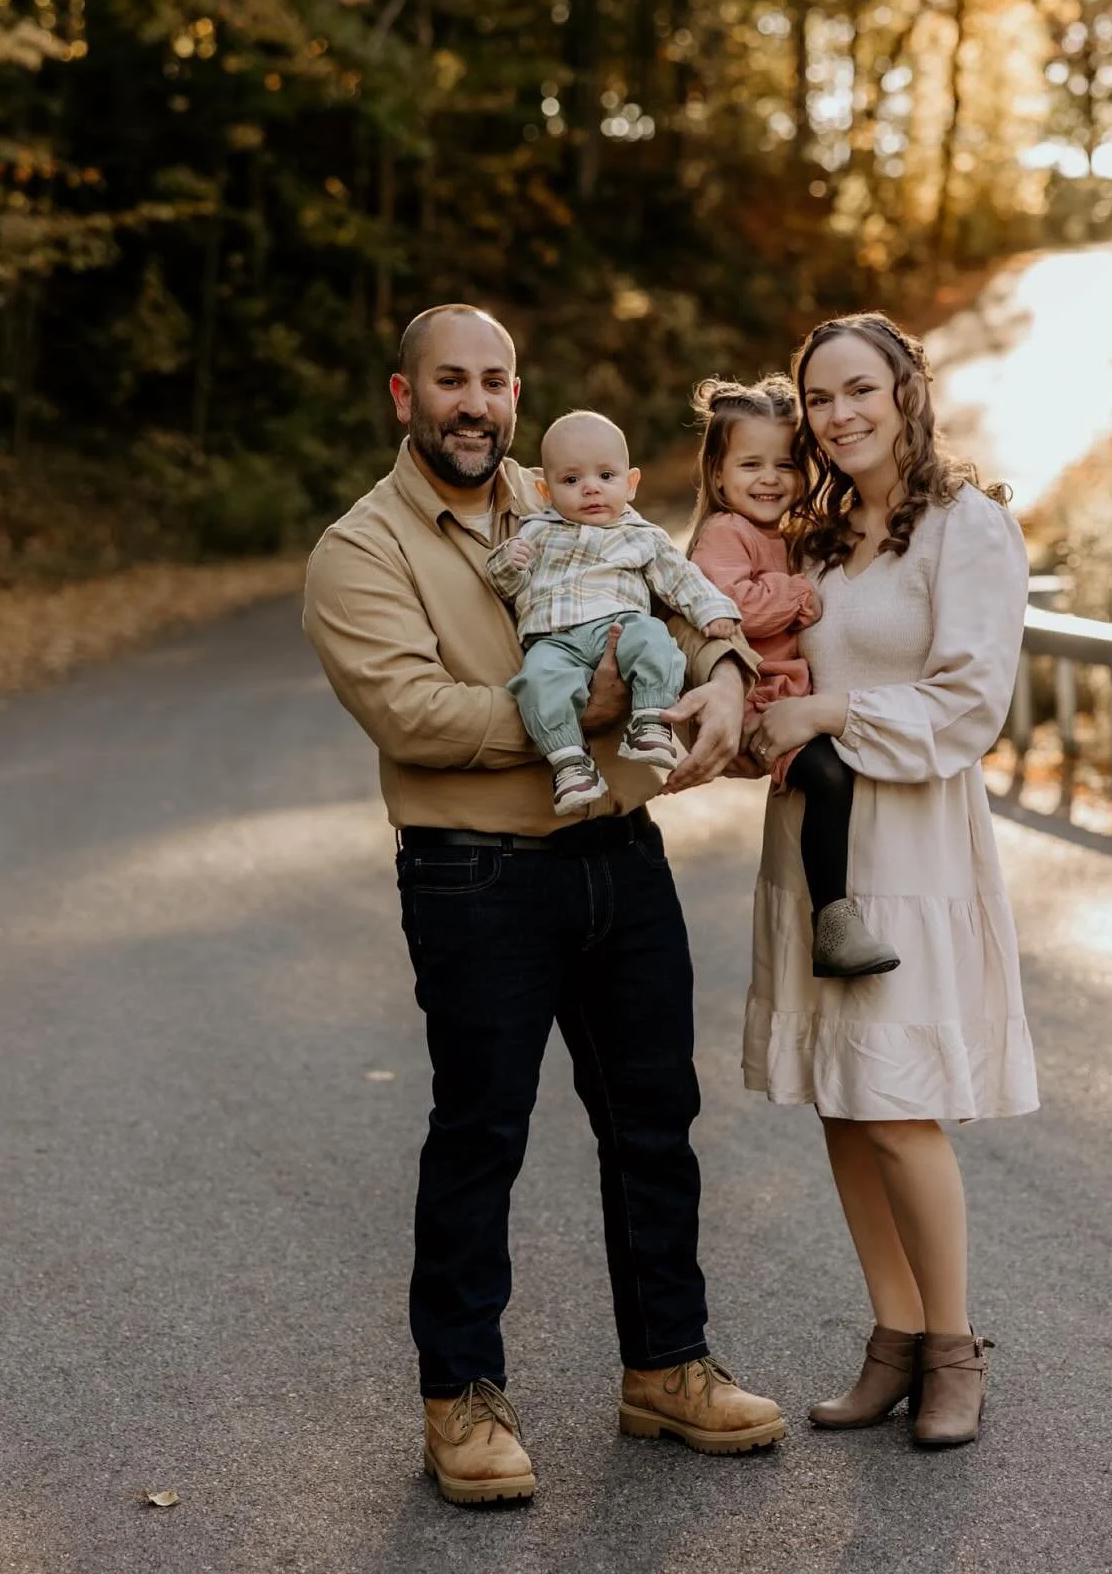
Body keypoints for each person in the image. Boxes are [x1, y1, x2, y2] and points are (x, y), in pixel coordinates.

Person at [302, 303, 784, 1507]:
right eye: (449, 382)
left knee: (655, 1122)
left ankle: (666, 1367)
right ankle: (461, 1400)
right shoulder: (360, 551)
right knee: (483, 1135)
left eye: (494, 381)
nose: (474, 404)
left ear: (517, 395)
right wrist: (599, 707)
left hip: (620, 853)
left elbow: (677, 592)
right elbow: (415, 714)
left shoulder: (571, 491)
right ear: (406, 397)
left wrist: (727, 673)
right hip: (475, 877)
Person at [742, 311, 1038, 1451]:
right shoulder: (813, 539)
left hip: (911, 847)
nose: (838, 415)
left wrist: (833, 711)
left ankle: (955, 1348)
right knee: (843, 1102)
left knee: (900, 1107)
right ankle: (894, 1338)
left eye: (860, 389)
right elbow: (769, 667)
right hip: (813, 850)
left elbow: (970, 701)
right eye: (819, 398)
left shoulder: (970, 527)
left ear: (909, 389)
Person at [686, 376, 901, 981]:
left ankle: (840, 912)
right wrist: (802, 594)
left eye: (785, 464)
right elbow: (733, 607)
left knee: (837, 774)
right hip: (755, 699)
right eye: (750, 464)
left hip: (784, 695)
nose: (770, 479)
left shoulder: (782, 537)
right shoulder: (725, 533)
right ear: (718, 475)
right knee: (829, 776)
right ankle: (833, 922)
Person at [487, 409, 740, 815]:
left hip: (621, 626)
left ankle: (650, 718)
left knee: (654, 638)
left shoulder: (642, 536)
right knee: (536, 681)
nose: (591, 489)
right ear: (546, 491)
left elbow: (680, 578)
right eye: (571, 481)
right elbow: (506, 589)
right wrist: (508, 563)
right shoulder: (535, 531)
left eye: (606, 476)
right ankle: (568, 760)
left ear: (631, 483)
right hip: (555, 641)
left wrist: (710, 609)